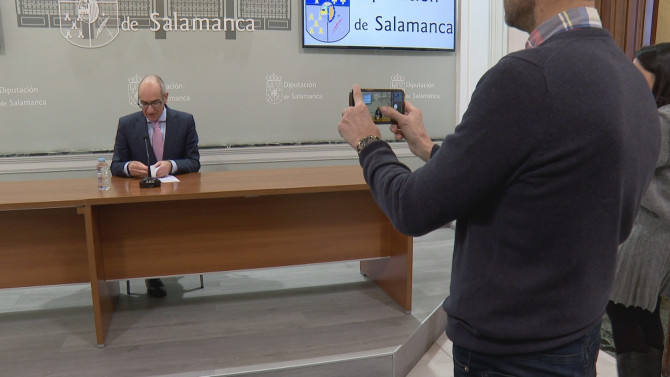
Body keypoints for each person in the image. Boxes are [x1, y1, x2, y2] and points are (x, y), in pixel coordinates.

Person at [337, 1, 661, 376]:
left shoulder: (525, 77)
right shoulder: (632, 82)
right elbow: (542, 180)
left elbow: (412, 207)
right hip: (578, 333)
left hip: (509, 355)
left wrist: (368, 144)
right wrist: (428, 147)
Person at [606, 43, 670, 377]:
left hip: (644, 237)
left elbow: (626, 165)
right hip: (656, 237)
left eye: (636, 72)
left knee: (623, 308)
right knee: (643, 313)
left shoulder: (661, 120)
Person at [111, 74, 200, 297]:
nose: (149, 110)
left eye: (155, 103)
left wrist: (172, 165)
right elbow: (115, 164)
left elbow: (194, 161)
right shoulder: (127, 123)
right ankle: (152, 274)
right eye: (144, 103)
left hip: (176, 198)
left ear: (166, 98)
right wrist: (128, 167)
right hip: (141, 202)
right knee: (145, 227)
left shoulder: (185, 121)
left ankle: (182, 262)